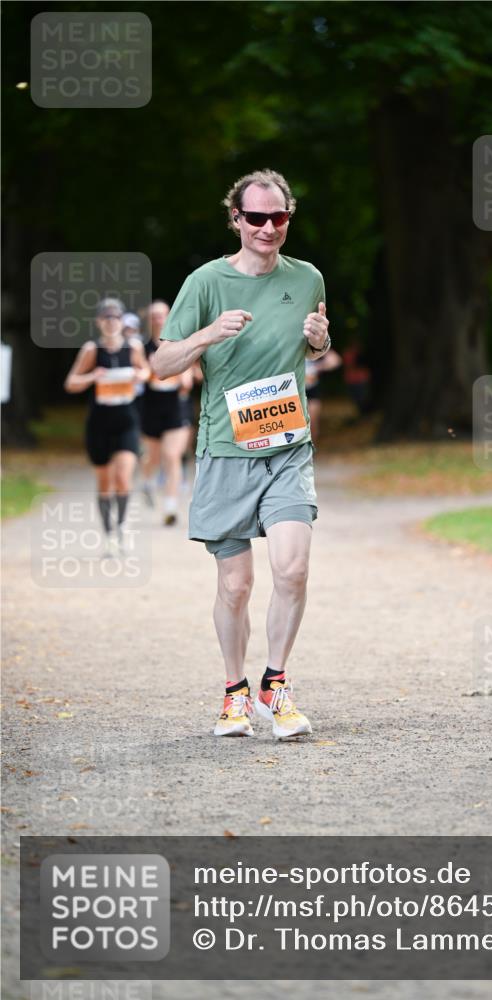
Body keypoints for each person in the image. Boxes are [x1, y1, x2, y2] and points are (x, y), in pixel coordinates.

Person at [153, 168, 331, 739]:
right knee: (236, 586)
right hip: (226, 450)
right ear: (236, 219)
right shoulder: (205, 282)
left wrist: (320, 341)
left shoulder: (307, 277)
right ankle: (235, 691)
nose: (268, 228)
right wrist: (208, 334)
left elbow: (313, 346)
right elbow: (161, 364)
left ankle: (275, 684)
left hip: (288, 446)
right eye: (256, 217)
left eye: (278, 217)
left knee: (293, 569)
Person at [64, 297, 150, 554]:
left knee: (123, 477)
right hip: (99, 424)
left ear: (122, 321)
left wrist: (139, 375)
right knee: (105, 484)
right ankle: (109, 535)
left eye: (116, 317)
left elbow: (147, 371)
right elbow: (71, 383)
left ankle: (121, 528)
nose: (111, 321)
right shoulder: (92, 350)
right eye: (106, 317)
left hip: (127, 421)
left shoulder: (133, 347)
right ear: (98, 322)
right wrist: (93, 376)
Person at [139, 300, 194, 525]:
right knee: (152, 458)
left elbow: (188, 377)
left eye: (161, 315)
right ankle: (147, 482)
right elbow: (141, 373)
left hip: (176, 407)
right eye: (153, 316)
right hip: (151, 407)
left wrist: (184, 377)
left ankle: (171, 507)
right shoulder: (141, 347)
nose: (158, 320)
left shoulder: (179, 343)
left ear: (169, 316)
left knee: (172, 456)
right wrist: (147, 371)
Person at [305, 348, 342, 445]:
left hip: (311, 391)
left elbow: (335, 360)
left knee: (312, 423)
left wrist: (318, 366)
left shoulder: (311, 346)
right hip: (293, 392)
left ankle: (311, 449)